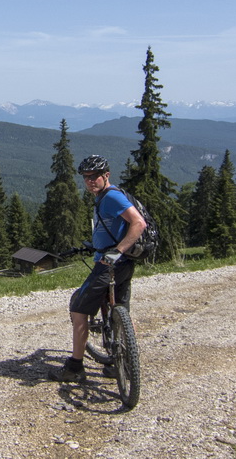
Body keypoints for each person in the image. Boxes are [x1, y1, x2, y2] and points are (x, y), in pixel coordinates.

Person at [49, 154, 147, 382]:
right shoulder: (106, 197)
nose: (90, 181)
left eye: (95, 176)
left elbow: (138, 223)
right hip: (122, 264)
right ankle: (120, 360)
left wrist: (117, 251)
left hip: (111, 264)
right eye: (86, 177)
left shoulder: (111, 197)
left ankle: (75, 368)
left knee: (78, 310)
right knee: (118, 309)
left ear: (106, 175)